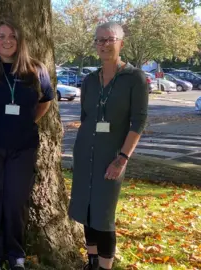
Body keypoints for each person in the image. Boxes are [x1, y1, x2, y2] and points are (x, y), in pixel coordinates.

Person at [0, 19, 54, 270]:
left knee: (16, 201)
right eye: (1, 36)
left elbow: (45, 101)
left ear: (20, 41)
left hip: (22, 147)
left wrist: (28, 121)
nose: (7, 41)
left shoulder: (36, 69)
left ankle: (16, 254)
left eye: (12, 36)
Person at [68, 22, 148, 270]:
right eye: (99, 40)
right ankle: (91, 262)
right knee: (85, 209)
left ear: (121, 43)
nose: (103, 44)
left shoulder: (135, 78)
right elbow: (85, 117)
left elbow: (139, 121)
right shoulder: (90, 80)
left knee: (103, 214)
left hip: (111, 155)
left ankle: (104, 266)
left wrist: (122, 158)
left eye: (109, 39)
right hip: (84, 153)